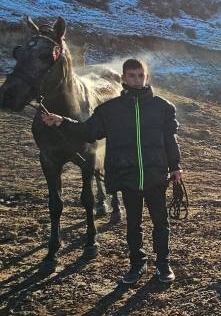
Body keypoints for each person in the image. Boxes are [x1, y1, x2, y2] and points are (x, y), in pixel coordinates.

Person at [41, 58, 182, 285]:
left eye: (140, 75)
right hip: (127, 176)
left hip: (156, 175)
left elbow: (170, 141)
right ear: (124, 78)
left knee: (161, 223)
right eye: (132, 76)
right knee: (133, 224)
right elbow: (87, 131)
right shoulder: (109, 111)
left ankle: (163, 265)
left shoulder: (163, 108)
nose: (137, 80)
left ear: (146, 77)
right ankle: (137, 264)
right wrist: (61, 121)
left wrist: (175, 166)